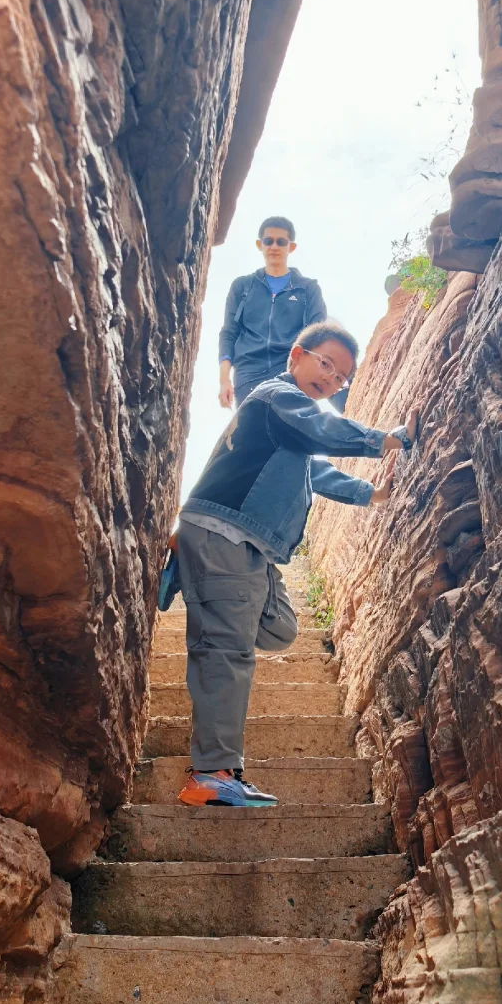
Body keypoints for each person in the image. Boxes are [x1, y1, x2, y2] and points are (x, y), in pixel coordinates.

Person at [175, 320, 418, 808]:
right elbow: (321, 429)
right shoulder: (276, 397)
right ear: (296, 357)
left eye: (340, 378)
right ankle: (211, 775)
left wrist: (371, 494)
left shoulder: (289, 430)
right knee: (227, 650)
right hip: (226, 532)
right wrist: (387, 440)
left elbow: (315, 470)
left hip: (251, 545)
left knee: (280, 629)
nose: (330, 380)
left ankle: (205, 591)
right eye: (325, 364)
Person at [218, 216, 329, 408]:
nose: (274, 247)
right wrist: (224, 380)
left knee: (288, 432)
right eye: (268, 241)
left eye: (281, 242)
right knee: (254, 430)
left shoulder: (308, 289)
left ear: (291, 247)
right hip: (248, 372)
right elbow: (229, 332)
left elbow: (317, 336)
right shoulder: (242, 286)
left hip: (289, 370)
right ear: (259, 245)